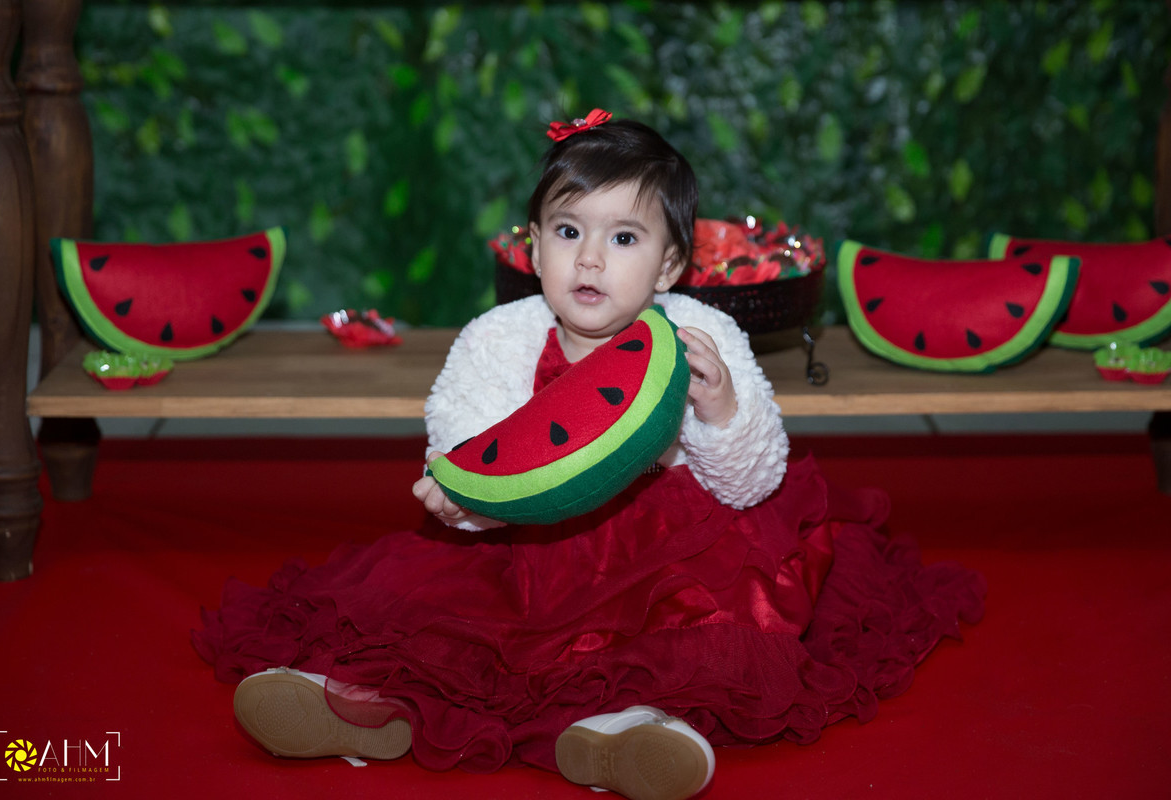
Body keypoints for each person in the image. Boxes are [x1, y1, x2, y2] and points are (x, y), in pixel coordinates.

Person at [193, 110, 985, 800]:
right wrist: (463, 502)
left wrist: (720, 408)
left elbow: (753, 480)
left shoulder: (703, 335)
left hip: (673, 552)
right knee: (448, 628)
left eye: (624, 237)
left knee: (693, 630)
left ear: (669, 265)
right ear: (534, 248)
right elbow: (466, 450)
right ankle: (358, 699)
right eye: (568, 233)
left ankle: (637, 728)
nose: (591, 260)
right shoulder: (498, 339)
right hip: (526, 550)